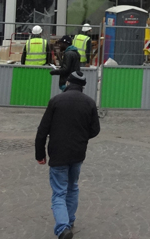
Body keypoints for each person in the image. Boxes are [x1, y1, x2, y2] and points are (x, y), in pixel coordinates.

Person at [35, 70, 101, 239]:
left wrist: (40, 153)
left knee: (59, 192)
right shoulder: (89, 103)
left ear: (69, 83)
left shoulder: (56, 101)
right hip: (78, 153)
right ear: (83, 87)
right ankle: (70, 221)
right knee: (73, 187)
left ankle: (63, 228)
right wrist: (82, 137)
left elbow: (43, 130)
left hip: (58, 153)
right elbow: (95, 130)